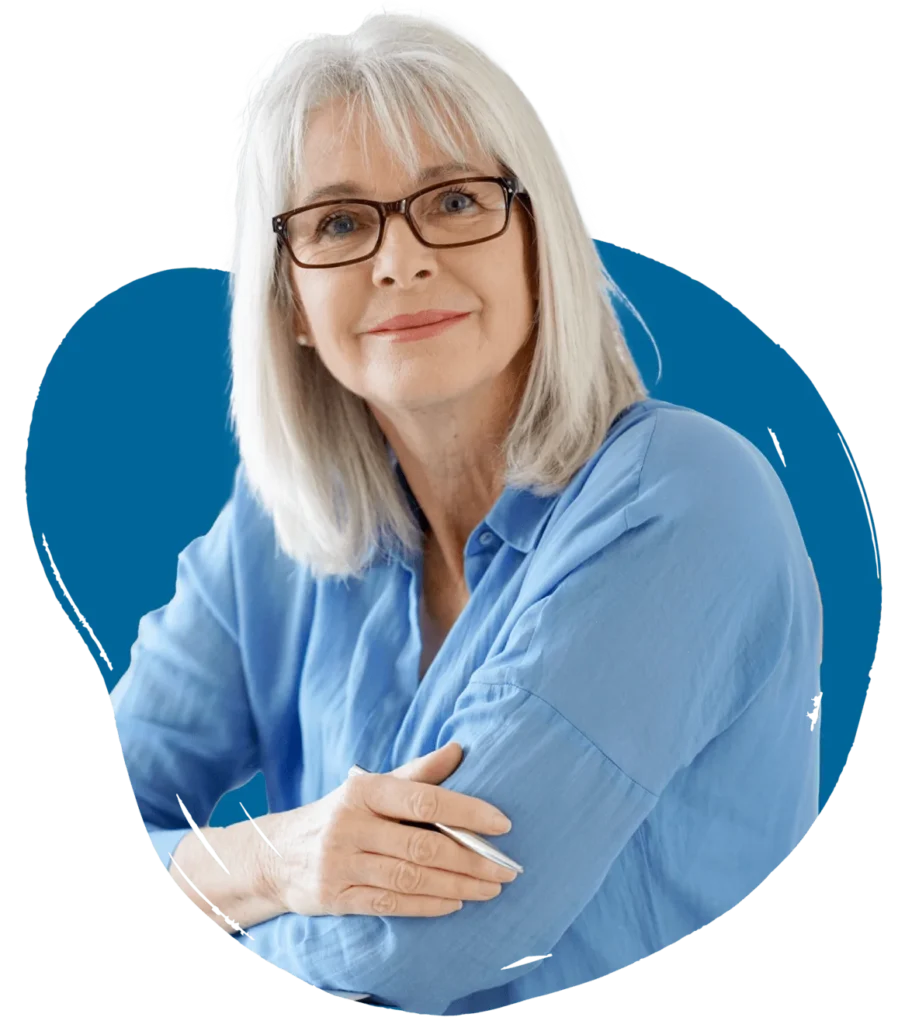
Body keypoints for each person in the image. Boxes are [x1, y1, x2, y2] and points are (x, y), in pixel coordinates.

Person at [110, 10, 822, 1016]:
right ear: (289, 307)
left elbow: (428, 944)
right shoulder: (270, 537)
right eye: (340, 223)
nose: (398, 260)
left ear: (541, 238)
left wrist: (214, 882)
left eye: (451, 200)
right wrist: (270, 858)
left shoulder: (687, 497)